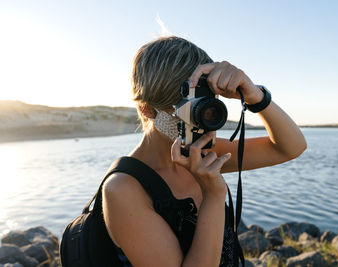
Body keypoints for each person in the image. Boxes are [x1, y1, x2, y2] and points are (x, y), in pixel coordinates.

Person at [102, 36, 307, 267]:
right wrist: (213, 195)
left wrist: (254, 95)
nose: (205, 120)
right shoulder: (124, 189)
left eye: (208, 103)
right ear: (146, 109)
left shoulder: (202, 152)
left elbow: (291, 147)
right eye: (190, 109)